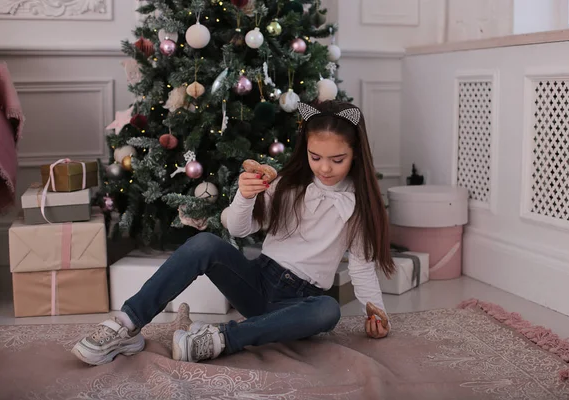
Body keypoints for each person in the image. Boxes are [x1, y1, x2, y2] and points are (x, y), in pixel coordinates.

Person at [71, 100, 395, 366]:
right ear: (305, 150)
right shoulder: (286, 185)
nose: (324, 168)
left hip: (300, 303)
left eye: (337, 160)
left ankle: (219, 340)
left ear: (355, 156)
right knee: (204, 244)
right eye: (315, 157)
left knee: (329, 310)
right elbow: (239, 229)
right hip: (258, 282)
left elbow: (362, 266)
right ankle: (126, 324)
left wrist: (375, 311)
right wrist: (245, 195)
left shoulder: (358, 205)